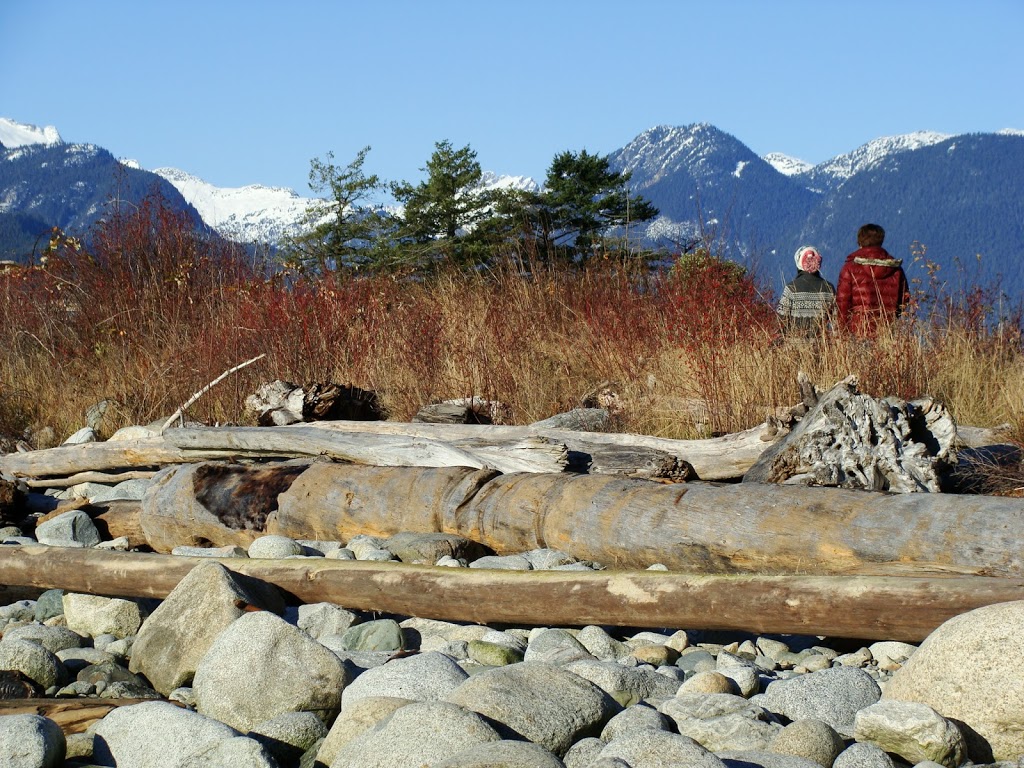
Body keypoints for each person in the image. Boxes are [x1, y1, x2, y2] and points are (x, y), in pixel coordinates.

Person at [837, 223, 909, 335]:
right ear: (881, 241)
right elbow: (904, 299)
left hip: (858, 330)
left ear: (859, 242)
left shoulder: (850, 268)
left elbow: (843, 302)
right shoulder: (896, 269)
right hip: (887, 330)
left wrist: (843, 332)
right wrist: (893, 317)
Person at [776, 245, 836, 335]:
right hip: (822, 344)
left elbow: (781, 319)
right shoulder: (829, 288)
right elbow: (835, 318)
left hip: (794, 345)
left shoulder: (791, 288)